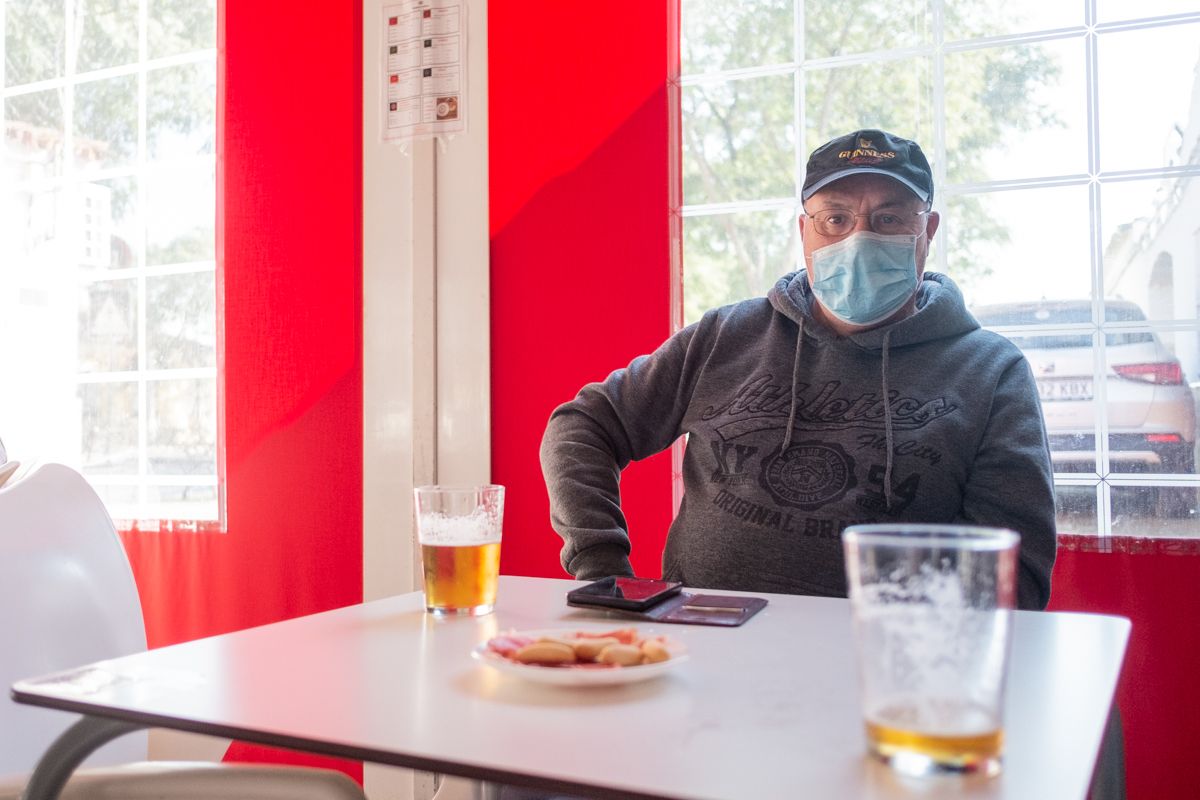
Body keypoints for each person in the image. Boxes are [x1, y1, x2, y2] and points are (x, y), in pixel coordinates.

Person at [540, 129, 1056, 610]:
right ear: (804, 230)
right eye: (835, 219)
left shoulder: (991, 371)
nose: (859, 238)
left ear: (929, 230)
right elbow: (582, 425)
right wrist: (600, 570)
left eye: (889, 219)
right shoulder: (727, 335)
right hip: (704, 646)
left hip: (880, 664)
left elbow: (1015, 573)